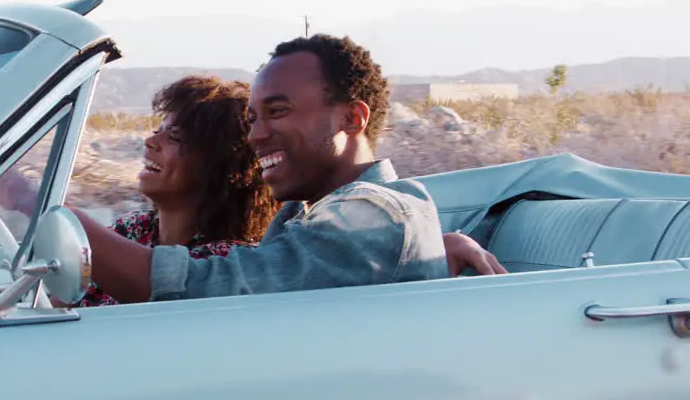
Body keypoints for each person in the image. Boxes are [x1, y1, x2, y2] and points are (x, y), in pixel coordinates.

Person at [70, 34, 501, 304]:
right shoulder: (322, 216)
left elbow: (204, 293)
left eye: (278, 111)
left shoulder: (373, 213)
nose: (256, 135)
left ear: (352, 118)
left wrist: (54, 217)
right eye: (253, 118)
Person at [74, 74, 277, 306]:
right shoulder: (132, 230)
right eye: (158, 130)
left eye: (174, 136)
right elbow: (60, 304)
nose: (150, 141)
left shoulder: (226, 264)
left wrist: (59, 217)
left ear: (220, 164)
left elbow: (157, 290)